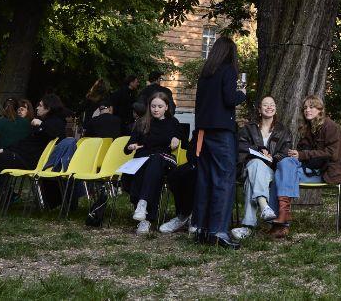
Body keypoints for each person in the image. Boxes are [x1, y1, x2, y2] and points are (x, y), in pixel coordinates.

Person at [0, 95, 68, 218]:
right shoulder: (43, 123)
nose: (37, 108)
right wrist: (5, 149)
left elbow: (57, 135)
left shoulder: (55, 123)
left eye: (40, 105)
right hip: (17, 155)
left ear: (48, 108)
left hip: (25, 160)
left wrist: (41, 125)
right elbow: (25, 142)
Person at [193, 35, 247, 248]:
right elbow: (229, 98)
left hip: (203, 132)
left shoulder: (205, 74)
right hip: (221, 132)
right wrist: (241, 94)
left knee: (205, 180)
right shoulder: (229, 71)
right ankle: (219, 231)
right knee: (224, 180)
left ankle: (202, 229)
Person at [233, 95, 299, 240]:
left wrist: (273, 158)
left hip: (272, 170)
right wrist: (259, 149)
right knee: (256, 164)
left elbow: (285, 153)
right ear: (259, 109)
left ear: (275, 109)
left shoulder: (283, 131)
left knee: (252, 179)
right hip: (248, 167)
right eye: (265, 105)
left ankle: (247, 227)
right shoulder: (248, 129)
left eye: (272, 104)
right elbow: (241, 147)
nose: (269, 107)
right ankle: (264, 207)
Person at [127, 91, 183, 235]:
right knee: (145, 167)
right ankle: (144, 219)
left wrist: (177, 139)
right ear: (149, 107)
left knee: (155, 161)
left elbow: (184, 142)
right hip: (144, 159)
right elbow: (128, 147)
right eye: (153, 106)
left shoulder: (173, 122)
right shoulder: (142, 122)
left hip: (164, 159)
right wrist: (132, 146)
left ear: (166, 107)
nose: (156, 109)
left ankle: (143, 203)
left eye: (159, 106)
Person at [291, 95, 341, 187]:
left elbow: (332, 153)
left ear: (320, 110)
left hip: (328, 172)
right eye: (305, 108)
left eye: (311, 107)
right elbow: (302, 150)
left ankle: (277, 201)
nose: (307, 110)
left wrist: (303, 155)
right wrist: (295, 154)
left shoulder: (330, 126)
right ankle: (279, 201)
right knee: (284, 166)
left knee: (286, 175)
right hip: (310, 167)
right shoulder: (308, 128)